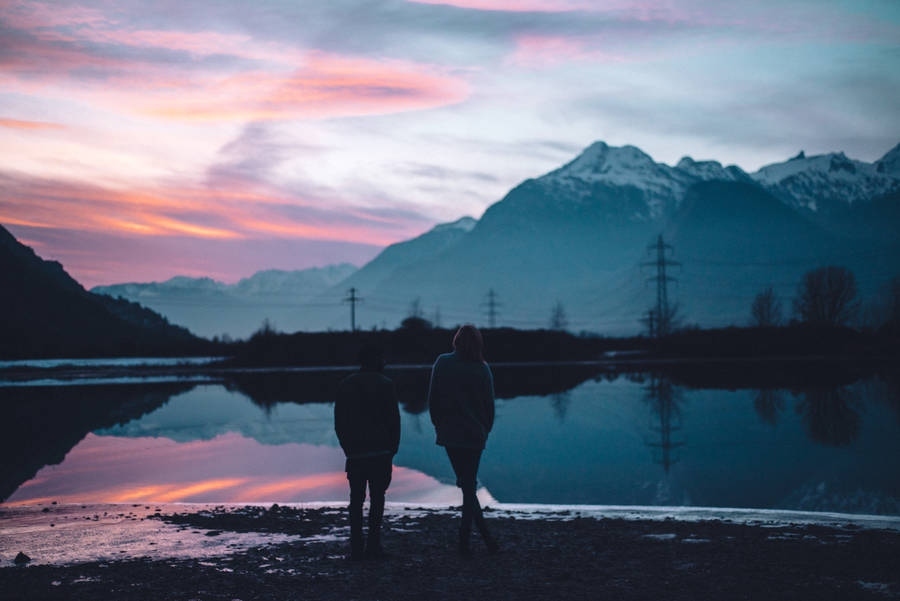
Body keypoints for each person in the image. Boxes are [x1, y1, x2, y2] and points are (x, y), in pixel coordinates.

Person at [428, 324, 499, 556]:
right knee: (468, 485)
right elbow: (489, 406)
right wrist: (485, 429)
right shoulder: (482, 369)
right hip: (474, 435)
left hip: (450, 434)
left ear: (456, 341)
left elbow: (433, 398)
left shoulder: (443, 362)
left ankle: (469, 540)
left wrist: (438, 424)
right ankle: (477, 539)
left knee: (467, 484)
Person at [334, 344, 401, 560]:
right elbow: (394, 421)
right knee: (378, 498)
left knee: (356, 499)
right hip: (381, 452)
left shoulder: (345, 384)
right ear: (375, 360)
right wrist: (392, 448)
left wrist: (348, 448)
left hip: (356, 454)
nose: (385, 362)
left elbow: (339, 422)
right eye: (382, 358)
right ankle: (373, 545)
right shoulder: (386, 384)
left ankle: (356, 548)